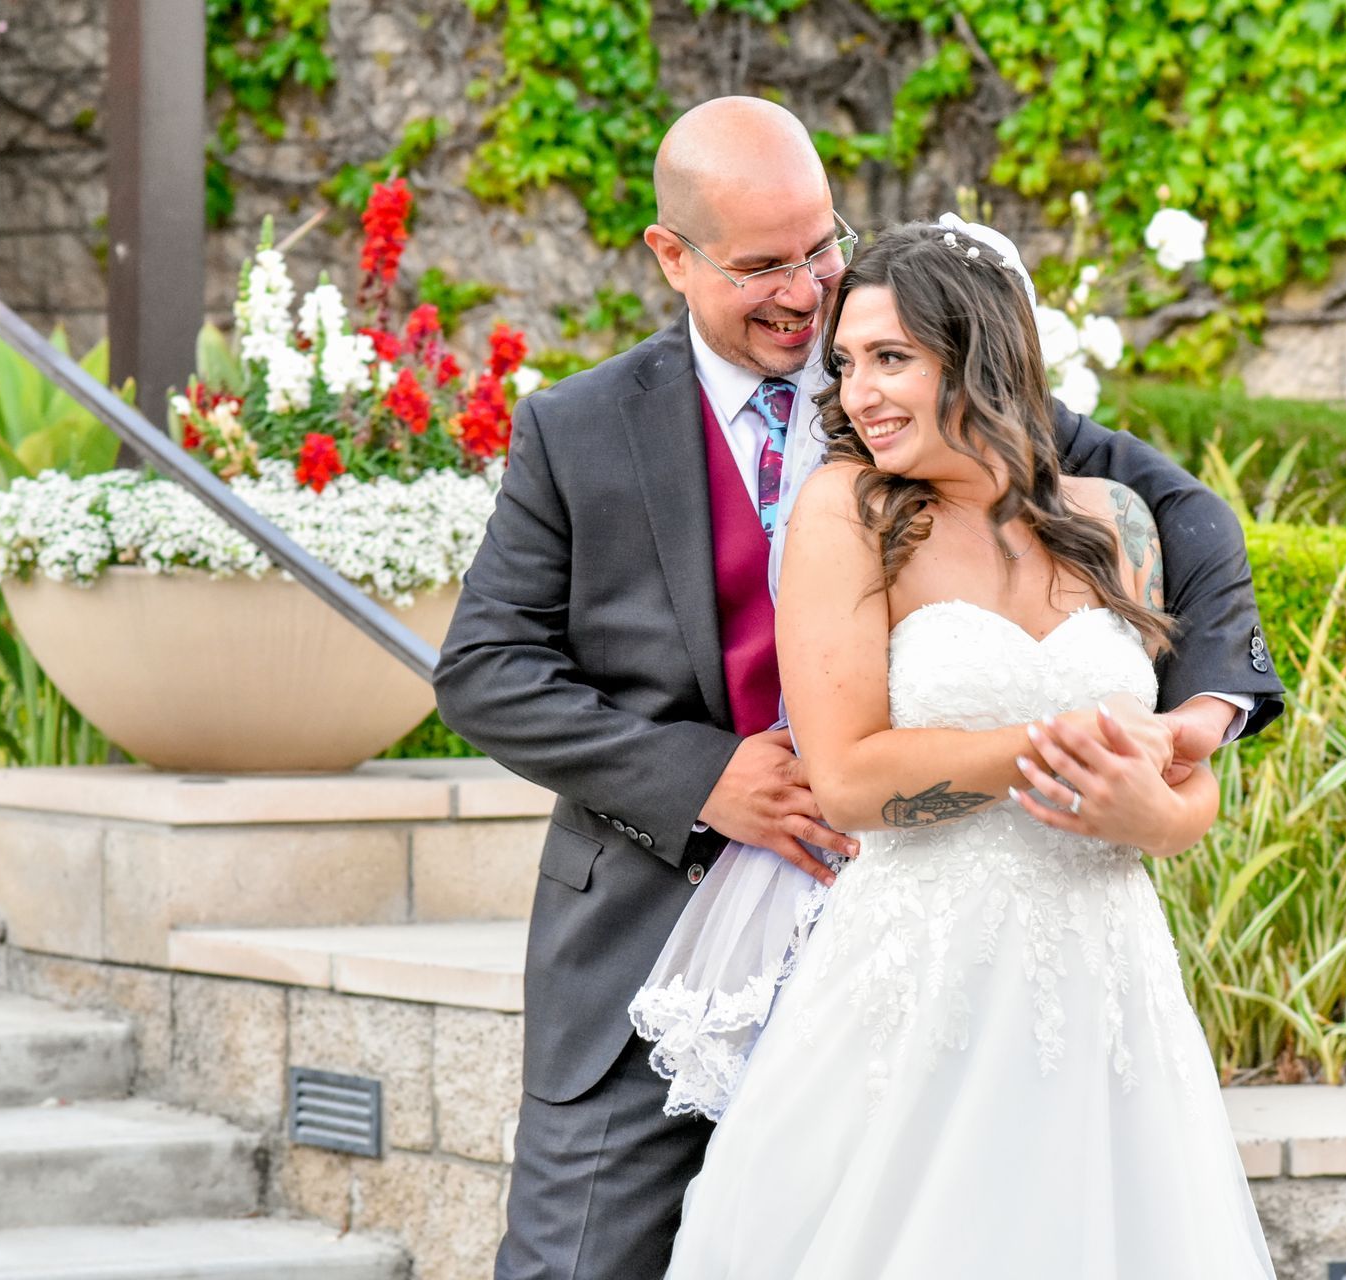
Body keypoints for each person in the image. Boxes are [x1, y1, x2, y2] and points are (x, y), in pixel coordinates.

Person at [432, 96, 1283, 1280]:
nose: (807, 290)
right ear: (671, 258)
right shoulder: (579, 431)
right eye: (763, 266)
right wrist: (703, 776)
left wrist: (1196, 723)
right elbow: (485, 667)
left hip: (939, 931)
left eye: (821, 247)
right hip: (660, 915)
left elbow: (1185, 520)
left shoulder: (946, 383)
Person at [659, 219, 1276, 1277]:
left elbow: (1184, 782)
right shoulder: (848, 511)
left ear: (982, 354)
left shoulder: (1115, 520)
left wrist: (1155, 816)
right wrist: (1048, 745)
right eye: (847, 364)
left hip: (1107, 983)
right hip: (922, 987)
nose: (858, 393)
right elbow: (848, 777)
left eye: (892, 358)